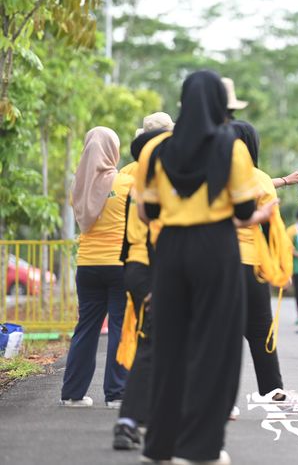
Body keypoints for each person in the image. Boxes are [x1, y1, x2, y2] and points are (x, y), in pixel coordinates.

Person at [136, 70, 260, 464]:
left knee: (169, 346)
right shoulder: (231, 147)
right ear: (220, 106)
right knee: (215, 348)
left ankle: (159, 447)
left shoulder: (155, 150)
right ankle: (198, 449)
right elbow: (244, 210)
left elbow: (147, 211)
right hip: (216, 248)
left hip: (170, 250)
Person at [113, 113, 173, 450]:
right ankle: (135, 420)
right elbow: (158, 231)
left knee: (150, 341)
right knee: (156, 344)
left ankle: (137, 418)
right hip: (155, 268)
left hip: (137, 267)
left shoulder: (133, 175)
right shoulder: (164, 179)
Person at [60, 127, 132, 408]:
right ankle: (116, 394)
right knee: (118, 326)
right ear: (113, 150)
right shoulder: (126, 183)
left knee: (86, 327)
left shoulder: (78, 187)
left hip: (87, 265)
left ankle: (72, 393)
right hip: (119, 265)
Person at [232, 120, 292, 404]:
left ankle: (220, 398)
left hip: (216, 261)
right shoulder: (260, 178)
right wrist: (280, 267)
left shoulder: (209, 174)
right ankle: (272, 388)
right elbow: (272, 229)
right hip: (252, 264)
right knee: (260, 328)